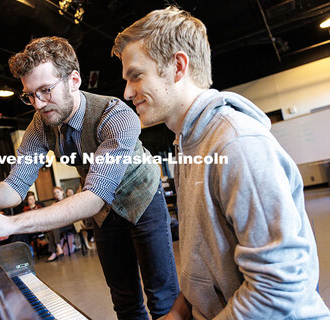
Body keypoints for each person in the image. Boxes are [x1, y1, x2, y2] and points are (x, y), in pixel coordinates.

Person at [112, 6, 330, 320]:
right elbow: (204, 258)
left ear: (177, 66)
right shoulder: (189, 142)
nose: (127, 91)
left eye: (136, 76)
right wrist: (180, 310)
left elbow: (277, 285)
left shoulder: (236, 143)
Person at [0, 36, 179, 319]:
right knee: (125, 301)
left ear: (74, 80)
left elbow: (93, 199)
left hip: (142, 198)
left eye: (45, 90)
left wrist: (10, 223)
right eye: (29, 95)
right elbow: (14, 189)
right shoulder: (40, 125)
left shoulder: (115, 115)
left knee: (161, 297)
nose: (38, 104)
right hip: (104, 212)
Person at [45, 186, 65, 262]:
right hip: (59, 224)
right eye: (55, 193)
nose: (56, 194)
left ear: (62, 192)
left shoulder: (67, 200)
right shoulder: (54, 203)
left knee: (55, 226)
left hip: (69, 223)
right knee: (51, 228)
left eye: (58, 192)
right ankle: (55, 251)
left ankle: (57, 249)